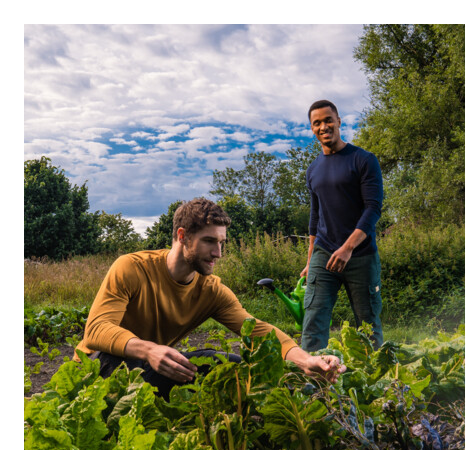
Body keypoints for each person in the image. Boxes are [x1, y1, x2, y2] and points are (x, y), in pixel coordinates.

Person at [75, 198, 346, 399]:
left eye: (221, 243)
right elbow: (96, 331)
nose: (218, 253)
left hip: (150, 366)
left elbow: (259, 330)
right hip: (96, 367)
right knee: (183, 359)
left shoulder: (211, 290)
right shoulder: (132, 267)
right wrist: (149, 349)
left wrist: (304, 360)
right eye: (209, 241)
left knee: (229, 365)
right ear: (182, 236)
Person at [300, 100, 384, 352]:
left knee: (368, 326)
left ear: (338, 121)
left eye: (328, 120)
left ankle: (374, 384)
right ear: (312, 129)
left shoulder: (363, 160)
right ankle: (314, 384)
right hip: (324, 253)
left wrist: (347, 248)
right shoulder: (313, 169)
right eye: (317, 123)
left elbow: (373, 208)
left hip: (360, 255)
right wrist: (310, 259)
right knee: (313, 319)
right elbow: (316, 217)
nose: (323, 126)